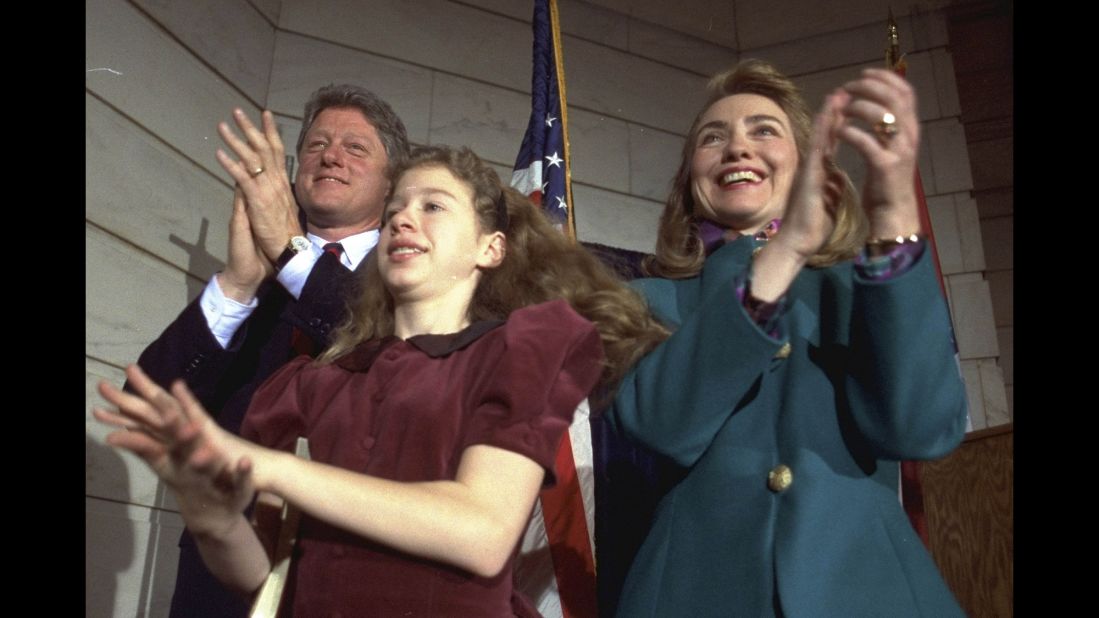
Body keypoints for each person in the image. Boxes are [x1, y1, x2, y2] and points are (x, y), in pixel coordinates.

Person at [96, 145, 668, 616]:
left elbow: (481, 531)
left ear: (490, 248)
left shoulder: (521, 350)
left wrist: (272, 467)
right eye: (395, 207)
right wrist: (213, 516)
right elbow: (264, 579)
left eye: (433, 206)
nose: (402, 217)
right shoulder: (307, 383)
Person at [602, 59, 968, 616]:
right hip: (691, 593)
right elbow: (661, 426)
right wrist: (784, 251)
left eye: (764, 131)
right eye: (713, 137)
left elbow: (918, 428)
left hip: (867, 590)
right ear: (689, 183)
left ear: (807, 167)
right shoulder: (644, 300)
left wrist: (894, 211)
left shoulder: (867, 287)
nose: (737, 148)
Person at [133, 84, 410, 617]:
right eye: (316, 145)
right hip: (220, 582)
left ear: (392, 181)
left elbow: (391, 363)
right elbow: (149, 410)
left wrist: (292, 252)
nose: (330, 155)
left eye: (356, 148)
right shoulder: (251, 272)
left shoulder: (412, 270)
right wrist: (236, 284)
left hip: (352, 574)